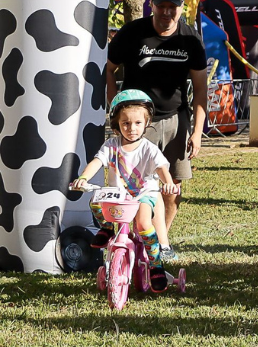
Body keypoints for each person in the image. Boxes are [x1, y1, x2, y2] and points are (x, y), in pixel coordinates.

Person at [104, 0, 206, 259]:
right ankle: (132, 239)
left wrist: (196, 132)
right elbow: (109, 69)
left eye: (172, 7)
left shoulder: (190, 39)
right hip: (136, 123)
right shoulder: (133, 33)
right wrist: (116, 108)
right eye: (160, 6)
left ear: (181, 8)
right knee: (134, 185)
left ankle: (160, 243)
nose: (166, 12)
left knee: (171, 186)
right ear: (152, 6)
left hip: (175, 120)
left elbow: (200, 89)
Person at [70, 90, 178, 283]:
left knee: (143, 223)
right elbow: (97, 161)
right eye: (125, 123)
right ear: (117, 124)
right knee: (96, 201)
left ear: (146, 123)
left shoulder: (148, 149)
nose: (131, 128)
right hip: (119, 195)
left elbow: (161, 168)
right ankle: (106, 228)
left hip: (144, 193)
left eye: (137, 123)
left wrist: (168, 183)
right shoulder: (111, 145)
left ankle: (155, 266)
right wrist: (84, 177)